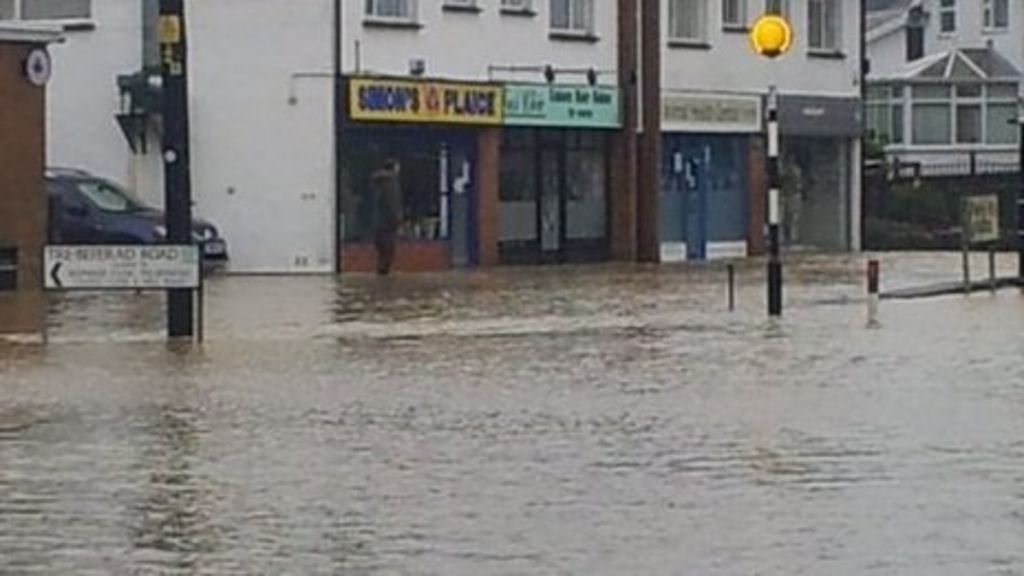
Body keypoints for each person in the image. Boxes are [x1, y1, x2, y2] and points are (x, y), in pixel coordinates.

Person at [370, 158, 403, 275]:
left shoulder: (378, 182)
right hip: (388, 224)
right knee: (388, 252)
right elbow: (392, 202)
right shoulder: (391, 182)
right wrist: (397, 220)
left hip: (378, 222)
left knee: (382, 253)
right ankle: (384, 281)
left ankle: (381, 280)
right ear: (394, 168)